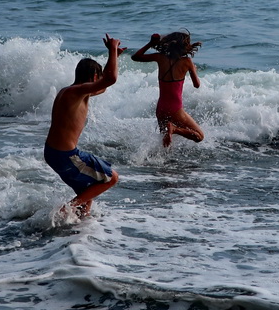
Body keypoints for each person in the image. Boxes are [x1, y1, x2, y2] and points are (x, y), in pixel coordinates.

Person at [44, 34, 126, 216]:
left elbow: (104, 85)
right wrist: (112, 49)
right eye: (98, 77)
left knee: (87, 193)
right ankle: (64, 211)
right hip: (65, 155)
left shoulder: (76, 93)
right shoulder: (75, 92)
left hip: (54, 153)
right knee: (111, 178)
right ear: (94, 76)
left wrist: (115, 57)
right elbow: (110, 80)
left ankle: (78, 229)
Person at [131, 31, 204, 147]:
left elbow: (135, 57)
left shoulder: (160, 58)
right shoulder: (187, 62)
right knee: (199, 136)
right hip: (176, 109)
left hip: (161, 108)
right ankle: (175, 129)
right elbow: (197, 85)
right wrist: (193, 69)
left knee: (164, 141)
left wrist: (150, 43)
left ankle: (161, 163)